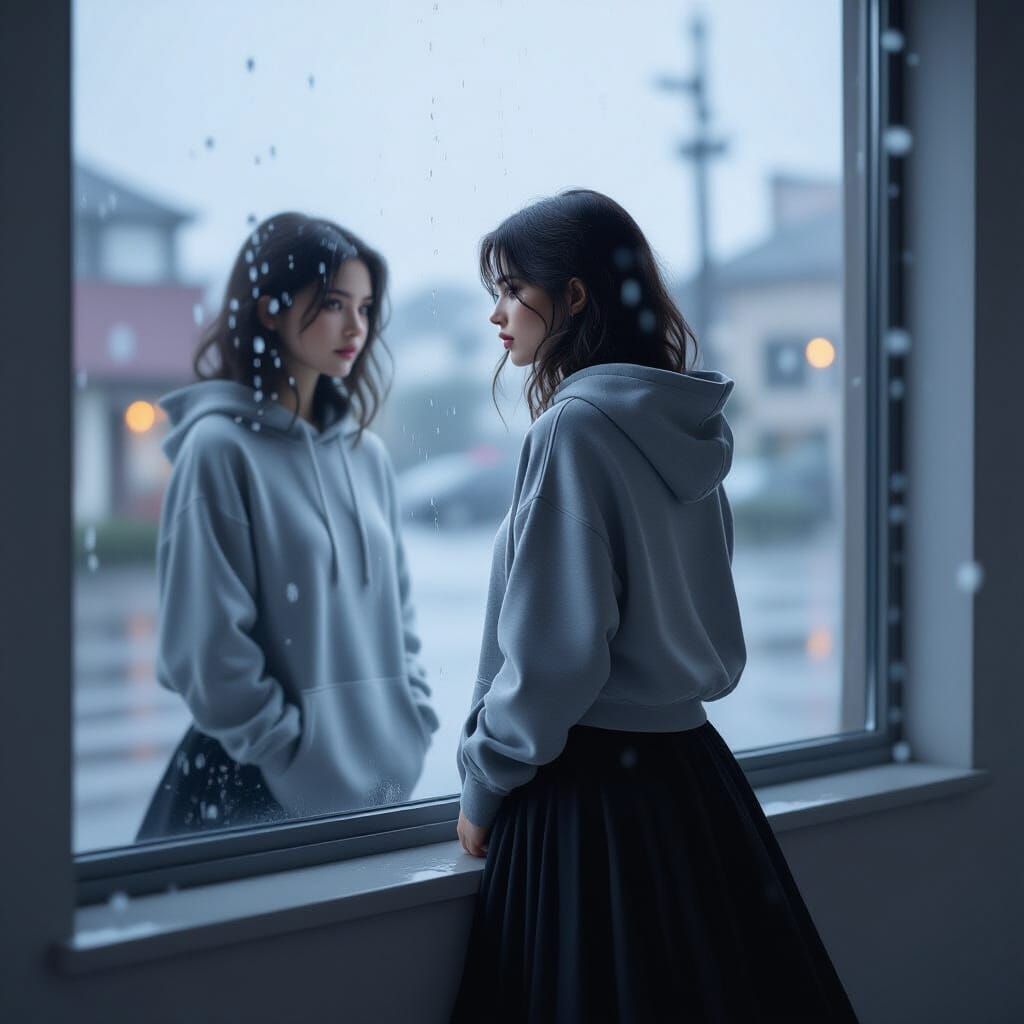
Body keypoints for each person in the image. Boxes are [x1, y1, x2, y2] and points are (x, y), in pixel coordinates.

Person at [449, 189, 860, 1022]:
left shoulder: (573, 432)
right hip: (695, 788)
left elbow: (553, 659)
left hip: (591, 802)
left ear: (572, 297)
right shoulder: (688, 426)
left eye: (511, 288)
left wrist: (482, 784)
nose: (496, 314)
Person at [135, 212, 440, 841]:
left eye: (365, 307)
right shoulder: (218, 449)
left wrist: (411, 722)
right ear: (270, 309)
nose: (356, 326)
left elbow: (400, 622)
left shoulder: (367, 455)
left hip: (372, 794)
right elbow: (205, 651)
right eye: (333, 303)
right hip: (248, 790)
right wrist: (286, 756)